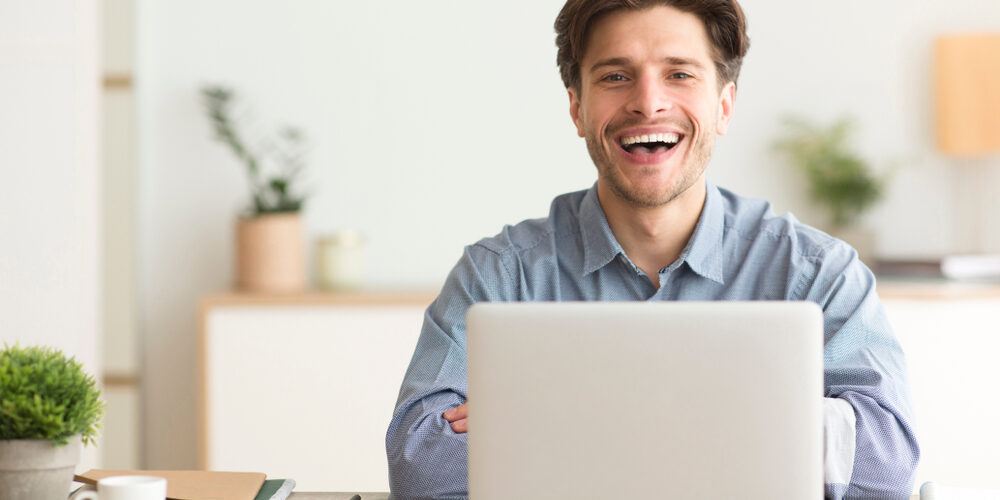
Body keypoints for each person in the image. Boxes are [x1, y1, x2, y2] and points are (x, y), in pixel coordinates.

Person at [385, 1, 919, 498]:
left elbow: (885, 463)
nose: (648, 101)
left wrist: (565, 418)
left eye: (680, 74)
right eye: (615, 76)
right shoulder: (499, 274)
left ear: (724, 106)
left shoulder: (817, 273)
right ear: (577, 107)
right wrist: (766, 421)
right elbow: (421, 462)